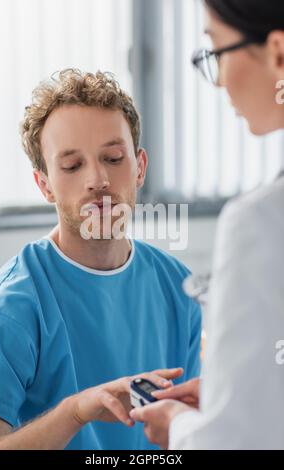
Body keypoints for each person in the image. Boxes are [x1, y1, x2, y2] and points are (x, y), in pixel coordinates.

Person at [0, 70, 202, 450]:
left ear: (140, 167)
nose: (98, 179)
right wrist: (75, 412)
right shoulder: (11, 306)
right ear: (45, 184)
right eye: (72, 166)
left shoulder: (179, 286)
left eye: (113, 158)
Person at [130, 0, 284, 450]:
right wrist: (237, 397)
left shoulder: (260, 221)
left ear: (278, 54)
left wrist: (178, 426)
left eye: (215, 50)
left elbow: (234, 442)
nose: (217, 83)